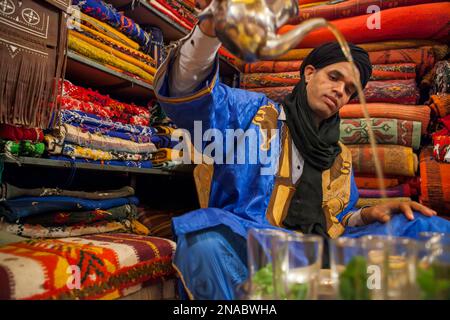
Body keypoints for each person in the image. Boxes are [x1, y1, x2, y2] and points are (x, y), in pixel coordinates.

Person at [153, 2, 450, 300]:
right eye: (334, 77)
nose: (339, 91)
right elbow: (190, 95)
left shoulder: (339, 155)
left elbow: (338, 217)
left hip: (326, 250)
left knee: (426, 228)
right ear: (309, 73)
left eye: (348, 89)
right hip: (256, 244)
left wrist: (367, 215)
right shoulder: (253, 115)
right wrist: (209, 32)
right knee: (205, 244)